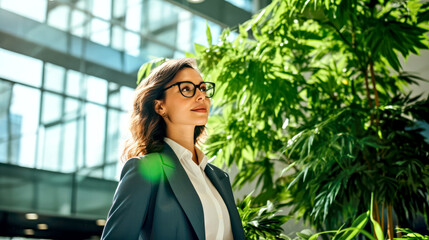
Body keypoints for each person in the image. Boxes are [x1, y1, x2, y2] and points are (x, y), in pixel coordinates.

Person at [101, 58, 245, 240]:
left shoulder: (218, 177)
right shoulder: (143, 170)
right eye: (186, 89)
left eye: (202, 88)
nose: (201, 96)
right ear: (160, 106)